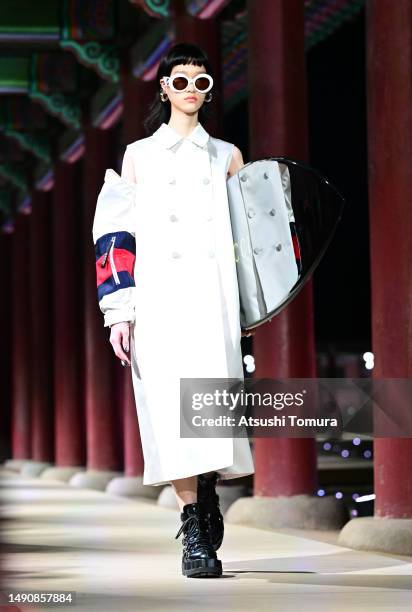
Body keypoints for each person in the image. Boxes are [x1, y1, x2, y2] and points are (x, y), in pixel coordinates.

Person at [92, 42, 255, 578]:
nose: (190, 90)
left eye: (200, 82)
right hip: (158, 298)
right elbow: (116, 235)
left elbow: (254, 238)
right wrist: (119, 311)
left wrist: (257, 307)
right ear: (164, 88)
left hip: (214, 297)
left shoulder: (227, 155)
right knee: (168, 408)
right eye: (180, 80)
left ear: (209, 92)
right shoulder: (138, 155)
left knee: (208, 406)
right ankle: (196, 530)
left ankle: (205, 502)